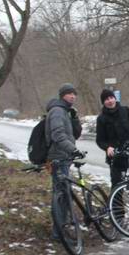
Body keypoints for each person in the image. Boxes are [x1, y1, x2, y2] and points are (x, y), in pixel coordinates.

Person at [47, 83, 83, 240]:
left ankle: (62, 228)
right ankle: (58, 232)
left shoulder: (66, 112)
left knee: (64, 193)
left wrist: (75, 118)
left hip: (64, 158)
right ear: (62, 95)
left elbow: (76, 133)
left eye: (74, 94)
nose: (73, 96)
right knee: (61, 195)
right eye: (69, 94)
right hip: (58, 158)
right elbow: (58, 135)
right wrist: (72, 150)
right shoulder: (57, 111)